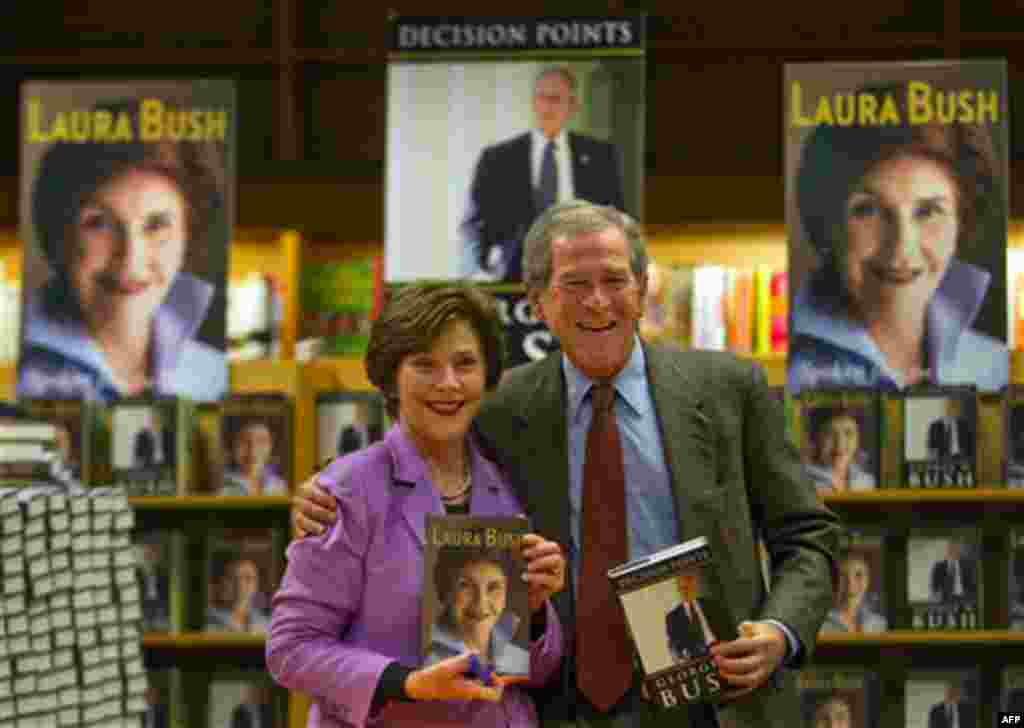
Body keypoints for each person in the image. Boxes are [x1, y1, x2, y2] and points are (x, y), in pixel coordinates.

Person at [293, 200, 841, 727]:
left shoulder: (729, 389)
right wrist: (325, 485)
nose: (598, 302)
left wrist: (779, 630)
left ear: (644, 287)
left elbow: (808, 535)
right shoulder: (500, 407)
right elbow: (420, 450)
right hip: (558, 705)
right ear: (537, 302)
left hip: (712, 701)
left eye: (615, 280)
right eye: (575, 284)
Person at [267, 283, 566, 728]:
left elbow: (528, 668)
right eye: (425, 364)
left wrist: (536, 613)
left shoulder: (506, 484)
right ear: (391, 377)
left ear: (486, 376)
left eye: (464, 363)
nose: (448, 383)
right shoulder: (345, 490)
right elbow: (290, 648)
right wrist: (404, 683)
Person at [788, 82, 1008, 394]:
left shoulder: (995, 369)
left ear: (962, 223)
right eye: (869, 211)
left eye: (929, 211)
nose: (901, 250)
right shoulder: (792, 376)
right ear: (829, 225)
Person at [17, 97, 228, 403]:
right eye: (99, 223)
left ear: (188, 237)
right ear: (59, 236)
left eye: (156, 225)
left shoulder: (214, 378)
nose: (131, 261)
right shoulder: (16, 377)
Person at [461, 67, 625, 283]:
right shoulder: (497, 158)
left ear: (573, 106)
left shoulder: (600, 156)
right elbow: (473, 225)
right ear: (533, 102)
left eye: (556, 98)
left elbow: (616, 219)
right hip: (513, 280)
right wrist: (479, 270)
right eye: (541, 97)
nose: (547, 106)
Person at [426, 546, 531, 677]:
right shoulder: (427, 668)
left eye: (494, 587)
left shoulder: (523, 662)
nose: (481, 604)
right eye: (466, 586)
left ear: (506, 594)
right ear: (445, 591)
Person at [803, 407, 876, 494]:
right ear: (816, 439)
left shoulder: (866, 482)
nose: (839, 444)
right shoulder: (803, 481)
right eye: (829, 434)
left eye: (849, 433)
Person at [820, 553, 887, 634]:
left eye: (858, 575)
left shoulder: (879, 624)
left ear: (868, 580)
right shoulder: (822, 623)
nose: (851, 582)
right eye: (844, 575)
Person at [221, 419, 288, 496]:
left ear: (271, 446)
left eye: (261, 441)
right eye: (244, 441)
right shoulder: (221, 488)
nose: (253, 450)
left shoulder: (280, 486)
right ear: (232, 446)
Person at [664, 572, 721, 663]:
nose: (685, 591)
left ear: (694, 587)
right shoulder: (672, 617)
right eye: (682, 588)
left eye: (687, 587)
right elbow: (674, 645)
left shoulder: (711, 604)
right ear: (678, 590)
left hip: (719, 647)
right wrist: (681, 656)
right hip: (695, 656)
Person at [207, 556, 271, 633]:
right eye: (231, 577)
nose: (240, 584)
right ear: (219, 583)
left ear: (257, 584)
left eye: (248, 577)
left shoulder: (265, 625)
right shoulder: (206, 624)